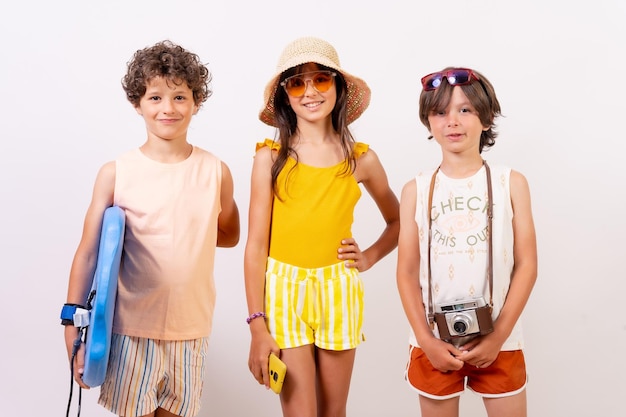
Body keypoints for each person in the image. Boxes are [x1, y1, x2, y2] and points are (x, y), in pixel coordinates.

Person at [61, 40, 240, 417]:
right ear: (137, 103)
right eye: (155, 97)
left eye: (179, 97)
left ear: (195, 102)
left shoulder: (216, 171)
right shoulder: (116, 172)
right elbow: (90, 251)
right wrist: (71, 320)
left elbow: (228, 233)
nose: (168, 108)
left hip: (191, 329)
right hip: (129, 328)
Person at [244, 36, 400, 417]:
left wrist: (369, 257)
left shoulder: (361, 160)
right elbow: (254, 248)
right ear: (284, 95)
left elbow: (397, 221)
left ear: (338, 86)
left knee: (334, 411)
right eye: (296, 82)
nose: (309, 91)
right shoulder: (270, 158)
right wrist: (256, 326)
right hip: (283, 290)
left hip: (338, 289)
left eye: (321, 80)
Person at [396, 67, 537, 417]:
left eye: (465, 110)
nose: (452, 121)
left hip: (499, 338)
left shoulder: (511, 183)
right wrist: (426, 341)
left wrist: (498, 336)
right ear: (428, 122)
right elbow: (406, 272)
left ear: (486, 119)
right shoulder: (415, 190)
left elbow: (527, 265)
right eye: (440, 112)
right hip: (434, 340)